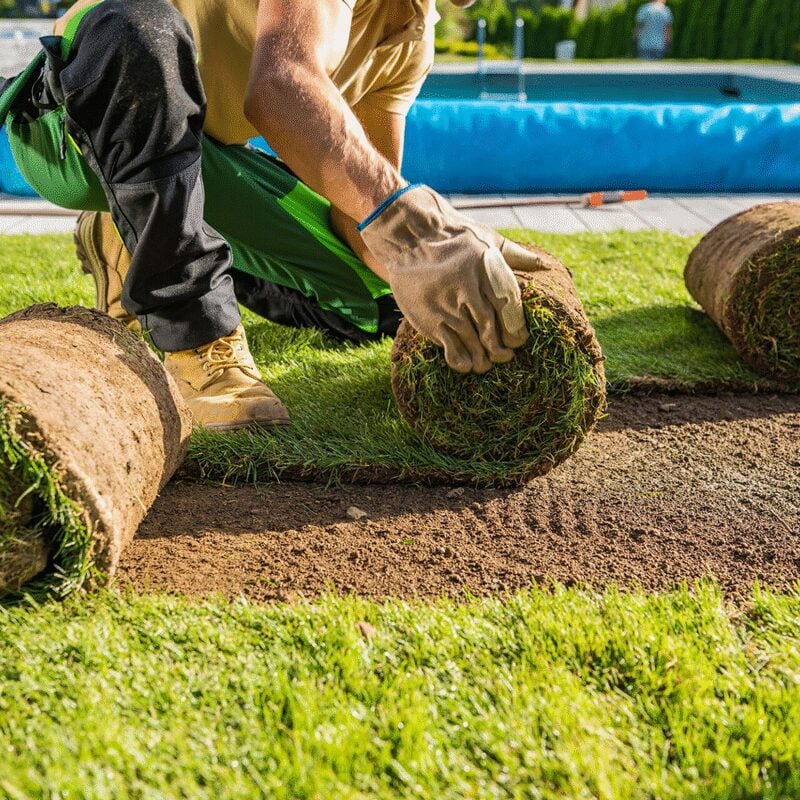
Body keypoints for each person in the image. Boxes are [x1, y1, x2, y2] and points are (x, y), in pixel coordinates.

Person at [0, 0, 543, 431]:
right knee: (139, 26)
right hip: (77, 111)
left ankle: (127, 230)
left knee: (379, 306)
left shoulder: (408, 41)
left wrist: (448, 252)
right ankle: (197, 337)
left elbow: (362, 217)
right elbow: (280, 88)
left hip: (193, 152)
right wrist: (417, 229)